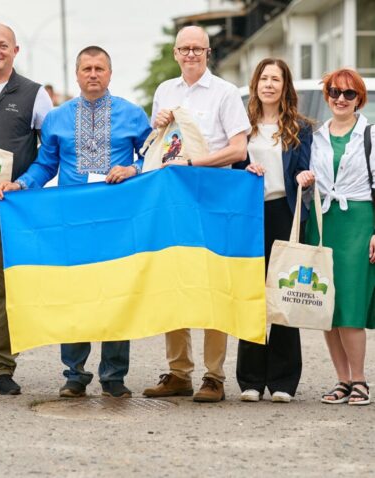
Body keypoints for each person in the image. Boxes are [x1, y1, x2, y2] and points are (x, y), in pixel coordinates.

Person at [0, 45, 151, 399]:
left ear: (110, 73)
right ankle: (74, 375)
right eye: (87, 69)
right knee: (75, 294)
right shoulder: (57, 118)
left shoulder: (132, 114)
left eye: (100, 68)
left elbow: (154, 155)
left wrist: (133, 168)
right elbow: (44, 165)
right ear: (77, 74)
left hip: (117, 220)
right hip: (73, 221)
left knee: (116, 295)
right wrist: (21, 184)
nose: (93, 74)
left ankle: (114, 376)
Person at [142, 26, 250, 403]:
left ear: (208, 52)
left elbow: (238, 149)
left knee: (211, 285)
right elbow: (160, 145)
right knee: (174, 282)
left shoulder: (225, 93)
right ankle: (178, 372)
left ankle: (214, 376)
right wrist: (156, 127)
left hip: (212, 198)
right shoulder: (164, 91)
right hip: (172, 201)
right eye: (184, 49)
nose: (191, 54)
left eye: (197, 49)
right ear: (175, 53)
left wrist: (195, 162)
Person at [235, 58, 313, 403]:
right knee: (251, 294)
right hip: (249, 216)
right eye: (264, 78)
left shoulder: (300, 127)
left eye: (275, 79)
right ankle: (250, 380)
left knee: (284, 294)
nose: (269, 84)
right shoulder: (242, 125)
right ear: (256, 84)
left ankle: (283, 381)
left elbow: (308, 168)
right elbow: (230, 165)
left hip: (284, 212)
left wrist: (303, 178)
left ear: (285, 86)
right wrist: (243, 167)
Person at [299, 68, 375, 406]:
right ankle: (342, 380)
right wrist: (304, 179)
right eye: (334, 92)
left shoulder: (371, 134)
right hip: (323, 220)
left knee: (351, 304)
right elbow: (307, 180)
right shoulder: (316, 136)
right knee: (325, 305)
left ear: (360, 98)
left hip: (359, 223)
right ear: (327, 95)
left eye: (349, 94)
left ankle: (359, 380)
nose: (340, 99)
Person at [0, 23, 53, 395]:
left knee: (6, 293)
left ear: (15, 50)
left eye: (2, 45)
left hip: (10, 209)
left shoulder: (34, 94)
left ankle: (1, 369)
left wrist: (27, 183)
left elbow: (52, 149)